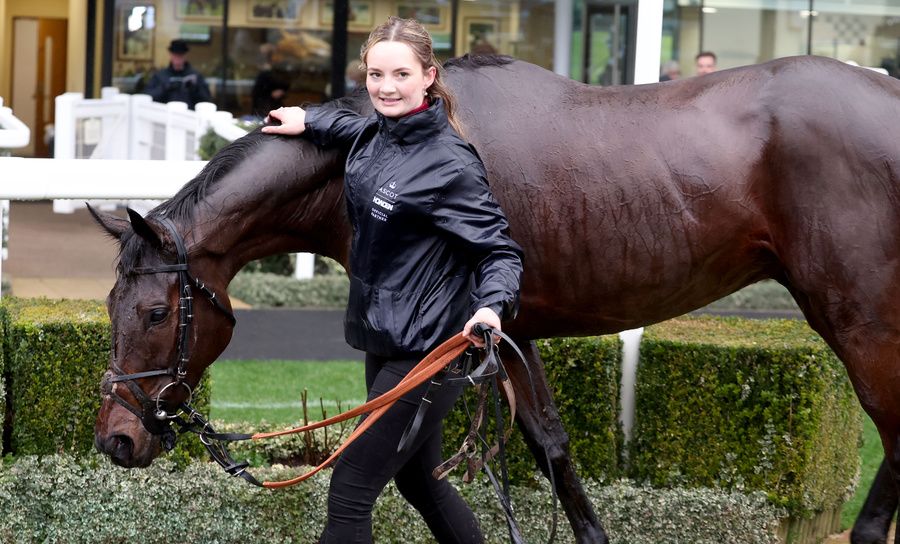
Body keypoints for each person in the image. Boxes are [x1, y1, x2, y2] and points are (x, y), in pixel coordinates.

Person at [262, 16, 523, 544]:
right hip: (385, 339)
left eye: (400, 74)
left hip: (428, 351)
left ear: (429, 76)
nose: (385, 87)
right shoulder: (377, 133)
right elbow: (350, 127)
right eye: (375, 75)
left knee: (351, 489)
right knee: (419, 483)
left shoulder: (450, 163)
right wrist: (305, 118)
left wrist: (491, 306)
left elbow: (500, 250)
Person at [144, 39, 212, 109]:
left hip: (188, 116)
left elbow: (206, 100)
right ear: (171, 55)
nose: (178, 58)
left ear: (185, 55)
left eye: (180, 55)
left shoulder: (196, 76)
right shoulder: (160, 76)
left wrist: (195, 90)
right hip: (165, 115)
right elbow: (148, 97)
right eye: (175, 55)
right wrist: (165, 88)